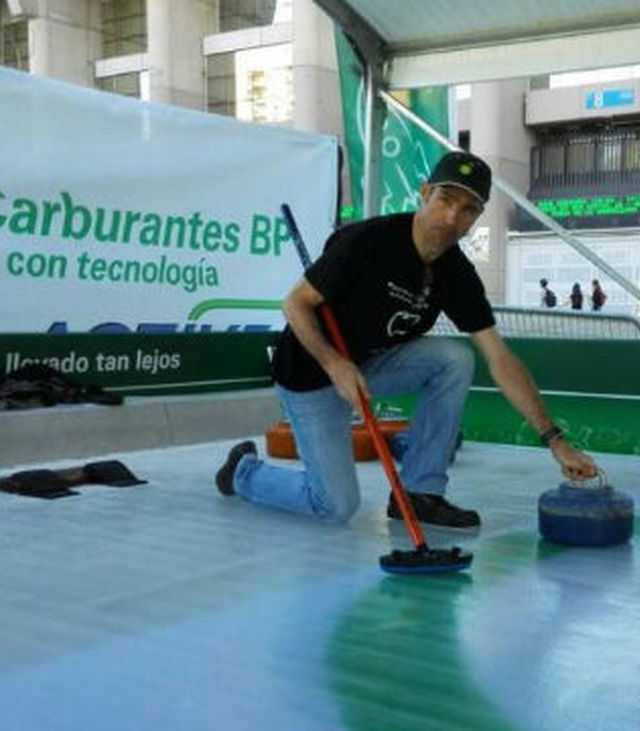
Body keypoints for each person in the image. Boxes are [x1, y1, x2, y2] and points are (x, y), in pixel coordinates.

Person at [215, 150, 598, 528]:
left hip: (369, 367)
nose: (451, 217)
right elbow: (295, 304)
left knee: (455, 358)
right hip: (310, 373)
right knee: (334, 505)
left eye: (467, 209)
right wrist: (334, 364)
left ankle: (419, 495)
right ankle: (243, 472)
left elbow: (499, 358)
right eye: (445, 199)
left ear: (476, 218)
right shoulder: (368, 241)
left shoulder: (456, 274)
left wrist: (554, 440)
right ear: (425, 192)